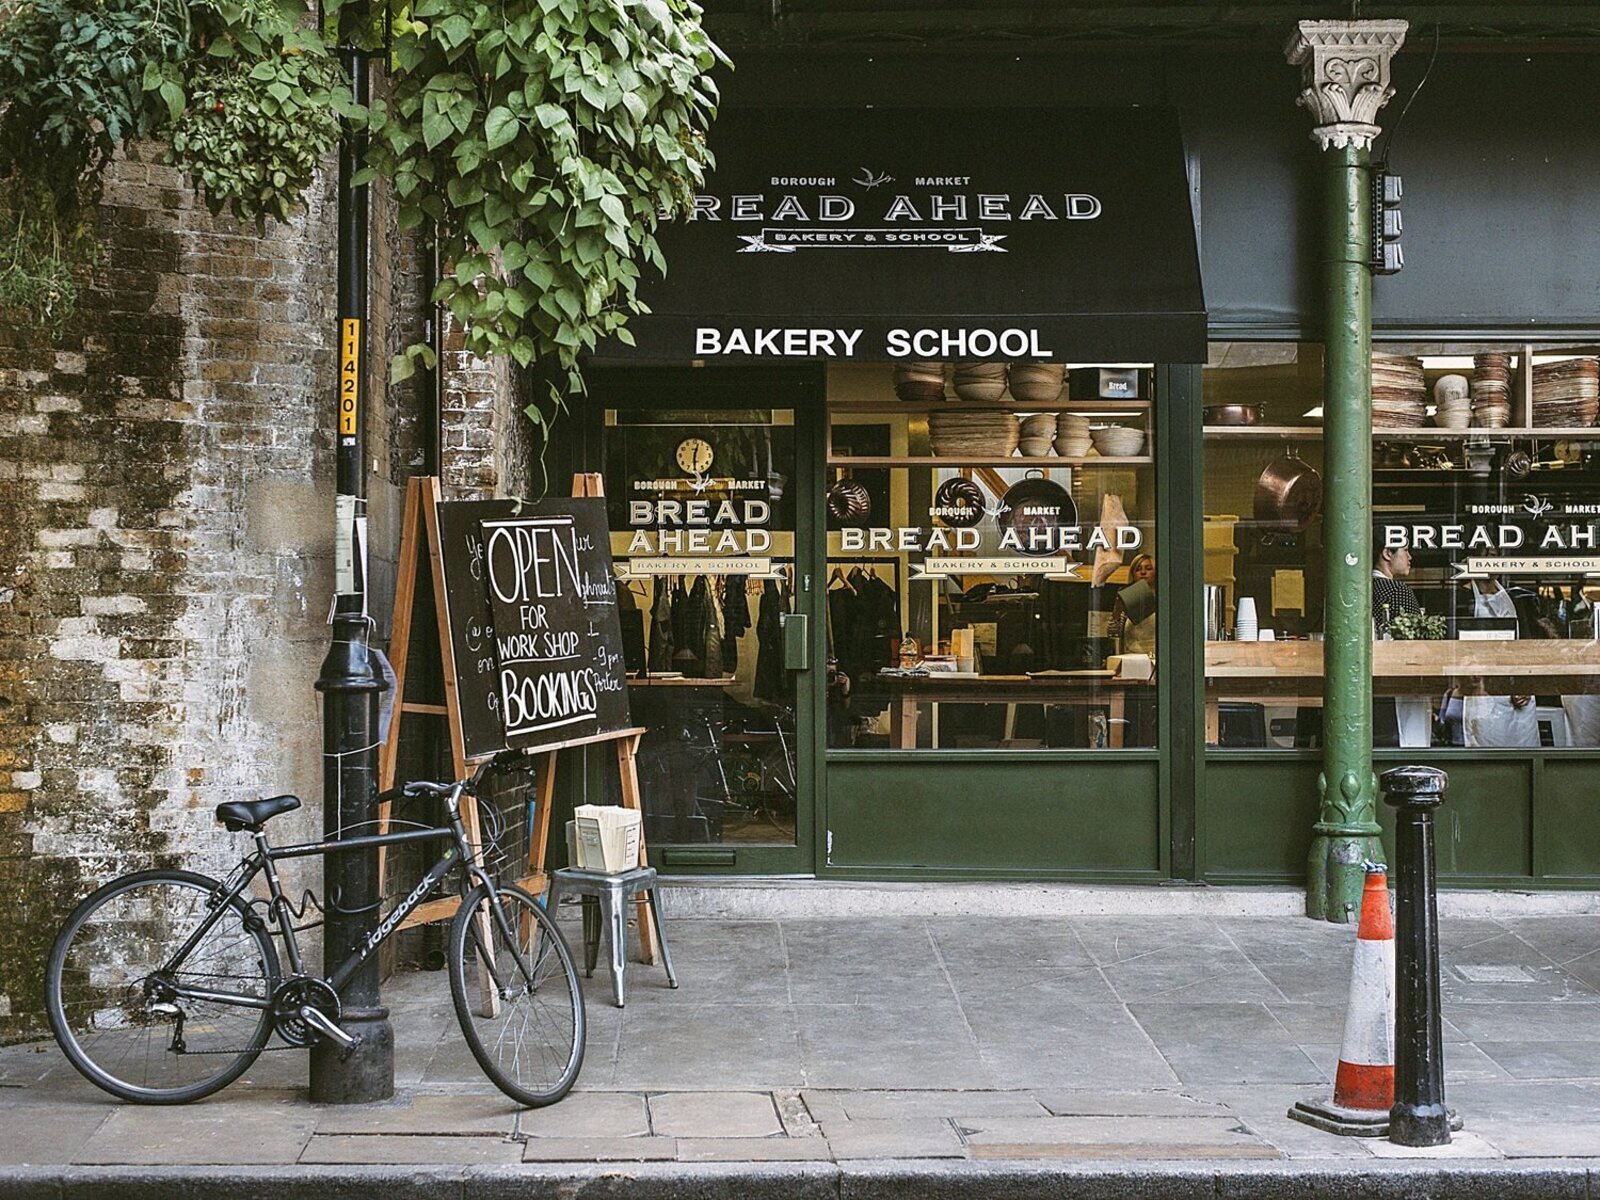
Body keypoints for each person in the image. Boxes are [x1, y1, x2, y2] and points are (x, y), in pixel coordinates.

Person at [1461, 576, 1538, 747]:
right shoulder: (1462, 597)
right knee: (1490, 753)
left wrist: (1526, 681)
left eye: (1495, 554)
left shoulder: (1515, 596)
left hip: (1518, 684)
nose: (1491, 560)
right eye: (1487, 554)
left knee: (1525, 752)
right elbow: (1457, 649)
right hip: (1484, 688)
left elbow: (1527, 644)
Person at [1372, 539, 1432, 747]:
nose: (1410, 557)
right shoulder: (1398, 591)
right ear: (1387, 553)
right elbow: (1420, 641)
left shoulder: (1359, 590)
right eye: (1405, 551)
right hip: (1400, 684)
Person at [1113, 553, 1157, 657]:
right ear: (1133, 574)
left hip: (1155, 657)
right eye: (1138, 569)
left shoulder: (1164, 598)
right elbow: (1113, 632)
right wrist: (1117, 612)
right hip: (1130, 656)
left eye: (1148, 568)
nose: (1143, 572)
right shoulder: (1127, 596)